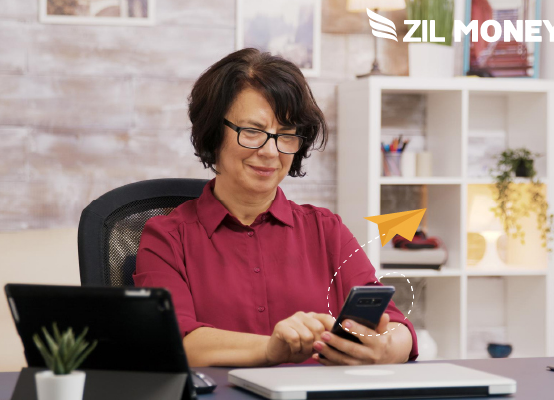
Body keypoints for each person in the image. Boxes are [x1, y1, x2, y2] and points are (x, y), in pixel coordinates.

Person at [133, 48, 418, 368]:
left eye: (286, 134)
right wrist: (272, 348)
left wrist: (388, 347)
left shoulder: (326, 230)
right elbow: (175, 342)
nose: (271, 151)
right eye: (252, 132)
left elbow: (394, 325)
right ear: (213, 132)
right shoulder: (166, 238)